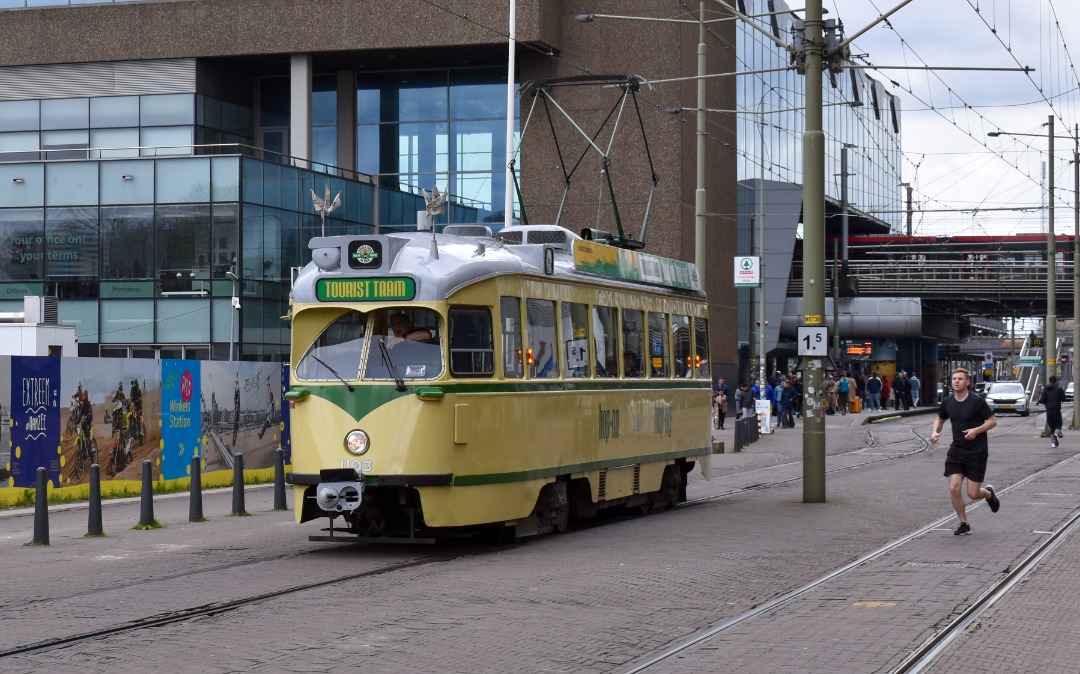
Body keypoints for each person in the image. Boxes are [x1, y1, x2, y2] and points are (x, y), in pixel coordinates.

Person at [930, 367, 1000, 536]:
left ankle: (988, 494)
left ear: (967, 382)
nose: (956, 381)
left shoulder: (977, 401)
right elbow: (940, 418)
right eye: (954, 379)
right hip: (957, 451)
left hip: (977, 452)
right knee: (954, 488)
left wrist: (976, 430)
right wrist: (935, 431)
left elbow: (992, 421)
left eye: (960, 379)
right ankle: (964, 523)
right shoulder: (947, 401)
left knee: (973, 493)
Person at [1037, 375, 1067, 447]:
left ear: (1049, 381)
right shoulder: (1059, 389)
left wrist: (1039, 401)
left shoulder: (1045, 390)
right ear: (1056, 381)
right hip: (1056, 410)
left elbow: (1042, 400)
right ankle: (1056, 435)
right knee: (1058, 425)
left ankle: (1053, 443)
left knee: (1051, 427)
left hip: (1049, 410)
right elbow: (1063, 399)